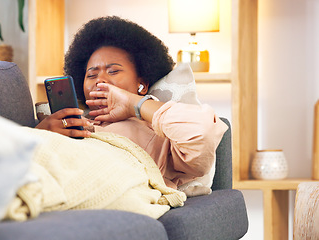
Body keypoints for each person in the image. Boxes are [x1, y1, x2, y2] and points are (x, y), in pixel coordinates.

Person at [36, 16, 228, 190]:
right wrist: (41, 135)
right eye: (91, 75)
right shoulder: (71, 122)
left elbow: (202, 133)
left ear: (142, 85)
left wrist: (133, 104)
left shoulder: (157, 134)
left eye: (113, 71)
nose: (99, 80)